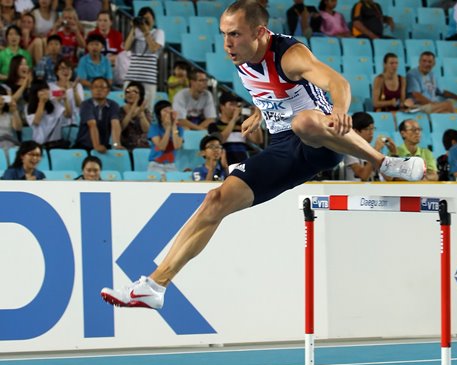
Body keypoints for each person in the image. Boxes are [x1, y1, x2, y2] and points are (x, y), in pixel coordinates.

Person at [100, 0, 424, 309]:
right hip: (283, 148)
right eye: (224, 34)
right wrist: (260, 110)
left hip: (322, 140)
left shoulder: (290, 55)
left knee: (305, 120)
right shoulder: (240, 58)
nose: (227, 43)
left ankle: (385, 163)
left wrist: (339, 111)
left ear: (259, 33)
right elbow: (268, 86)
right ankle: (155, 287)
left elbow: (337, 82)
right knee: (215, 200)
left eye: (235, 34)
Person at [123, 6, 164, 113]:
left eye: (148, 18)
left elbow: (153, 48)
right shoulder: (135, 33)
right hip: (132, 77)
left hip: (148, 78)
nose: (145, 21)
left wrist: (146, 32)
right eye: (143, 18)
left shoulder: (158, 33)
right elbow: (126, 48)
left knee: (146, 110)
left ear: (153, 20)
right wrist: (133, 28)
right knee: (128, 109)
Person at [208, 91, 263, 165]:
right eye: (231, 104)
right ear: (222, 106)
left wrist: (255, 119)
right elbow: (221, 140)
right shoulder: (214, 125)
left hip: (242, 163)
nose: (235, 108)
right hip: (224, 164)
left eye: (236, 105)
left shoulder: (242, 125)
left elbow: (258, 140)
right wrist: (233, 120)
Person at [73, 76, 122, 152]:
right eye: (95, 87)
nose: (99, 90)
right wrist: (96, 146)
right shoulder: (86, 104)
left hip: (104, 146)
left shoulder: (114, 105)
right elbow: (92, 124)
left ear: (108, 91)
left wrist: (116, 144)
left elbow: (115, 124)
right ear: (91, 90)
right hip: (84, 147)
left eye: (102, 87)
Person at [342, 111, 395, 181]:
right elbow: (363, 176)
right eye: (367, 129)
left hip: (375, 190)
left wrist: (393, 153)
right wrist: (375, 152)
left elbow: (389, 178)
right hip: (357, 190)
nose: (371, 132)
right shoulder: (350, 151)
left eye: (373, 128)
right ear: (355, 131)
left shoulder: (374, 151)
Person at [26, 79, 72, 147]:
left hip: (56, 143)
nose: (45, 92)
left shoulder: (54, 103)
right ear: (35, 93)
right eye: (41, 90)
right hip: (39, 144)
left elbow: (68, 115)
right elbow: (36, 122)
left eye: (46, 89)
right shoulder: (28, 107)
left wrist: (65, 100)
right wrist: (42, 102)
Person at [49, 59, 84, 136]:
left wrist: (74, 90)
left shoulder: (77, 86)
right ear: (56, 72)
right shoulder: (50, 86)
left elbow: (80, 105)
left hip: (74, 124)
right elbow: (52, 104)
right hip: (56, 125)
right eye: (62, 68)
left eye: (68, 68)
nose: (66, 71)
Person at [147, 99, 183, 175]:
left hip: (171, 164)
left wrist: (173, 126)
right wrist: (167, 129)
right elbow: (161, 147)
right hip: (155, 164)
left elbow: (177, 146)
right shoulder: (154, 127)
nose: (168, 113)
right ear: (159, 114)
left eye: (170, 110)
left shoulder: (179, 129)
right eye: (165, 110)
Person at [119, 81, 151, 150]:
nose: (130, 94)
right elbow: (121, 127)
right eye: (128, 92)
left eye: (134, 92)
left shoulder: (144, 111)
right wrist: (133, 106)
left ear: (140, 95)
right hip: (125, 147)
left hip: (142, 147)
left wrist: (141, 114)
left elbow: (146, 130)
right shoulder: (120, 110)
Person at [0, 85, 22, 151]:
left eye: (3, 97)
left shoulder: (9, 115)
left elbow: (18, 128)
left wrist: (14, 110)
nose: (0, 99)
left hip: (9, 146)